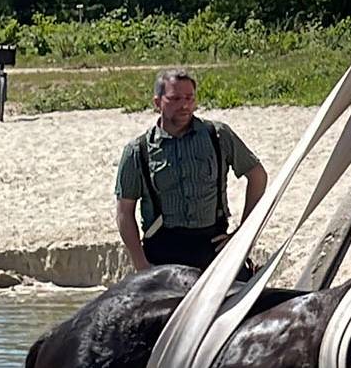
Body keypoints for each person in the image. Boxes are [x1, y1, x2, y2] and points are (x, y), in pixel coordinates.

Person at [114, 69, 270, 271]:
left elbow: (257, 176)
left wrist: (243, 234)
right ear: (157, 102)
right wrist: (140, 263)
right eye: (175, 98)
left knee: (252, 300)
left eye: (189, 98)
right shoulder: (137, 150)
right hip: (162, 253)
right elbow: (124, 212)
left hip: (213, 247)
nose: (185, 105)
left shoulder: (218, 135)